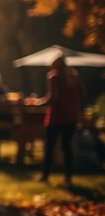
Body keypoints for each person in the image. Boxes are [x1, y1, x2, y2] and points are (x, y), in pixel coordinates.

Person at [36, 56, 85, 185]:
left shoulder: (54, 76)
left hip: (56, 117)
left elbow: (54, 97)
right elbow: (82, 95)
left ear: (54, 65)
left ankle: (45, 175)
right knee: (67, 147)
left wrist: (38, 102)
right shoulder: (74, 77)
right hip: (71, 116)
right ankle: (68, 177)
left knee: (50, 147)